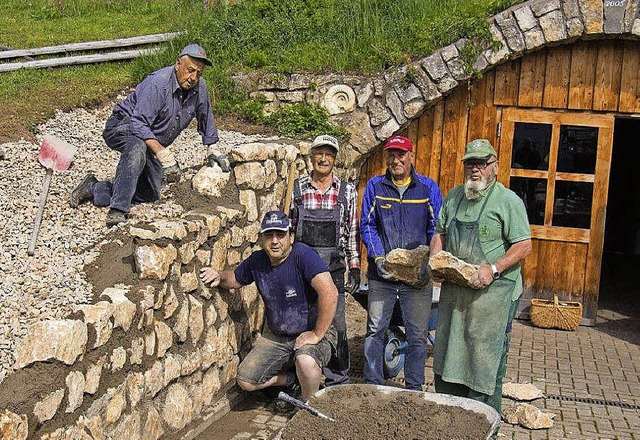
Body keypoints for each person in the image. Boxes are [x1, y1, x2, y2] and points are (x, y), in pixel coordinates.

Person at [69, 43, 229, 226]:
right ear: (178, 64)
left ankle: (93, 187)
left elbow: (206, 116)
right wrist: (163, 154)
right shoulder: (158, 84)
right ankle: (118, 209)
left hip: (147, 135)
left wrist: (213, 148)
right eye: (190, 70)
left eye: (198, 73)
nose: (193, 77)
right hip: (123, 124)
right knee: (137, 147)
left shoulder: (199, 88)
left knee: (150, 192)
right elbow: (138, 123)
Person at [429, 138, 532, 412]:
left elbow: (524, 245)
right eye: (470, 163)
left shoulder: (508, 201)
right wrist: (435, 259)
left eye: (482, 164)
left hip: (493, 296)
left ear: (494, 167)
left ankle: (484, 420)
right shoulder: (453, 197)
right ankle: (452, 416)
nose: (475, 170)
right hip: (457, 292)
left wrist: (494, 268)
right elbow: (439, 233)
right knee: (449, 354)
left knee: (484, 363)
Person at [199, 210, 338, 402]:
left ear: (291, 237)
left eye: (280, 234)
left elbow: (330, 292)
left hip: (312, 331)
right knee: (246, 381)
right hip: (277, 336)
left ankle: (308, 406)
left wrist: (317, 334)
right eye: (269, 235)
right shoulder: (258, 261)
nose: (274, 241)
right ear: (261, 238)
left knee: (305, 361)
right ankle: (293, 379)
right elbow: (235, 279)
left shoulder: (304, 256)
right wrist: (219, 275)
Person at [360, 135, 442, 391]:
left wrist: (427, 264)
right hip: (382, 277)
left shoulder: (427, 188)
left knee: (417, 335)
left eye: (401, 155)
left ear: (411, 156)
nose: (396, 160)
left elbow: (436, 228)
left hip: (417, 279)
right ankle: (372, 383)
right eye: (391, 155)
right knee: (375, 330)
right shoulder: (376, 186)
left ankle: (414, 388)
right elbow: (367, 225)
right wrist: (379, 257)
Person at [289, 134, 360, 387]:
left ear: (335, 159)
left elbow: (352, 232)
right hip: (302, 272)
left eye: (329, 154)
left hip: (334, 270)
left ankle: (337, 379)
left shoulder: (347, 192)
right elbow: (289, 232)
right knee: (303, 322)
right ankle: (303, 378)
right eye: (319, 153)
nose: (323, 158)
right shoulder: (296, 189)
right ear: (311, 157)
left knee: (337, 324)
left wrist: (355, 266)